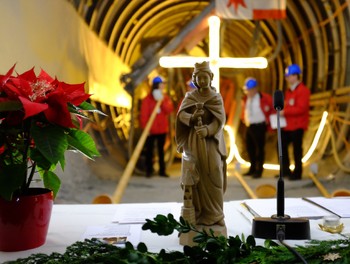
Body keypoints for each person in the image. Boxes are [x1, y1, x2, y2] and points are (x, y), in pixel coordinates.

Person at [176, 61, 227, 226]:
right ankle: (198, 213)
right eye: (199, 78)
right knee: (195, 174)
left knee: (213, 172)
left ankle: (216, 214)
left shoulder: (216, 98)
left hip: (211, 143)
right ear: (195, 79)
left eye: (205, 77)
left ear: (210, 78)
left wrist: (208, 130)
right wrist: (191, 117)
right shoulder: (190, 97)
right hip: (194, 142)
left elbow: (220, 120)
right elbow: (181, 114)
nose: (203, 81)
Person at [280, 64, 310, 181]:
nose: (287, 79)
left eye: (289, 76)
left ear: (296, 76)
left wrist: (285, 112)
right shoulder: (288, 92)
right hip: (288, 126)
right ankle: (285, 171)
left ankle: (297, 173)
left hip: (298, 126)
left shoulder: (303, 91)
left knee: (297, 150)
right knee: (281, 146)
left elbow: (301, 108)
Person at [140, 76, 174, 177]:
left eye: (164, 84)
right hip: (151, 130)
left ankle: (162, 171)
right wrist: (146, 128)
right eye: (162, 84)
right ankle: (149, 171)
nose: (163, 86)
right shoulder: (148, 99)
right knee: (149, 151)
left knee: (161, 150)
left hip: (162, 129)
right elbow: (143, 115)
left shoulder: (165, 98)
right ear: (157, 85)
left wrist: (162, 101)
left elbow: (169, 110)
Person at [241, 77, 273, 178]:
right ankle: (252, 168)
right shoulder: (246, 99)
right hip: (250, 126)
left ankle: (259, 171)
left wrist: (269, 122)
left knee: (259, 149)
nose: (248, 92)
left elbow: (272, 109)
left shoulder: (263, 98)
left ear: (255, 89)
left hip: (260, 126)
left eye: (249, 90)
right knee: (250, 148)